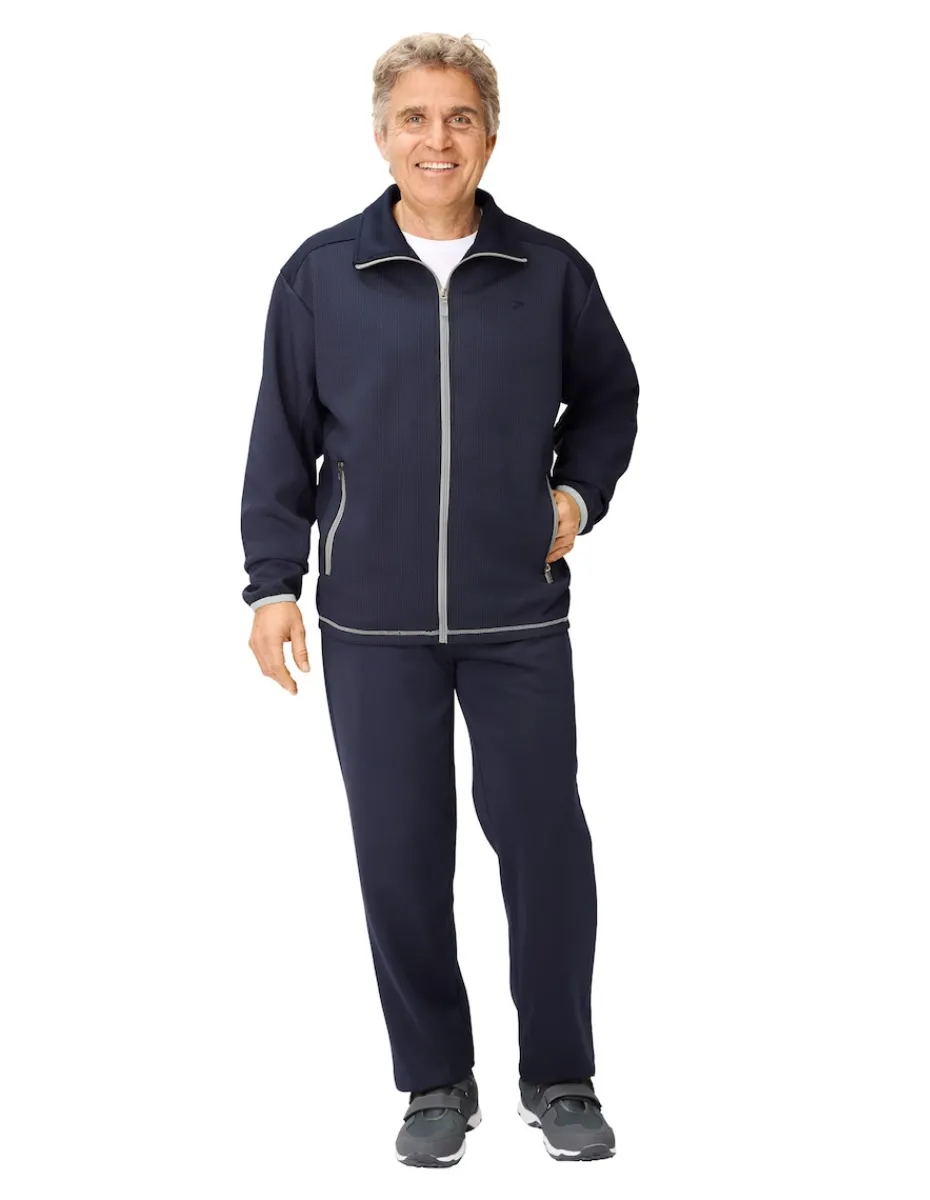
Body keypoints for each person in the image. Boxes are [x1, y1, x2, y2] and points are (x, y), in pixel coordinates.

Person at [240, 31, 639, 1167]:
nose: (437, 139)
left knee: (545, 845)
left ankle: (559, 1074)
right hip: (371, 623)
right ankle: (433, 1081)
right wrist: (272, 583)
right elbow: (281, 436)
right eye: (414, 118)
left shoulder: (549, 271)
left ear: (491, 135)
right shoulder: (322, 274)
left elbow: (610, 397)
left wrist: (578, 494)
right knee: (400, 855)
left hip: (519, 615)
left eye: (459, 117)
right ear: (381, 136)